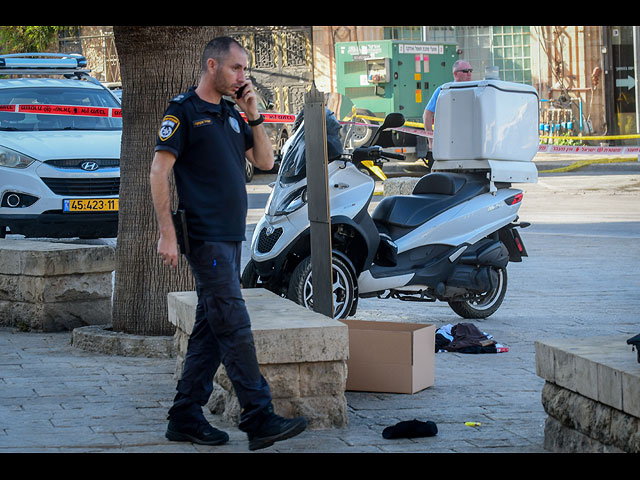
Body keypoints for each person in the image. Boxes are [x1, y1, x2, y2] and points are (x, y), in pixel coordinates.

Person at [150, 36, 307, 451]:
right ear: (212, 66)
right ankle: (259, 418)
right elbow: (157, 173)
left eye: (245, 69)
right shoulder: (183, 111)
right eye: (237, 68)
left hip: (230, 237)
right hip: (204, 238)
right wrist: (167, 233)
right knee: (234, 324)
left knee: (210, 327)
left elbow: (266, 162)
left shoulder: (232, 114)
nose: (244, 76)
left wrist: (253, 113)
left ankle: (185, 416)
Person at [422, 59, 473, 149]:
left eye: (470, 70)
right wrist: (431, 140)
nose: (469, 73)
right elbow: (427, 114)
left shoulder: (476, 90)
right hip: (448, 142)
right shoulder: (443, 90)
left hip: (470, 140)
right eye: (465, 71)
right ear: (455, 73)